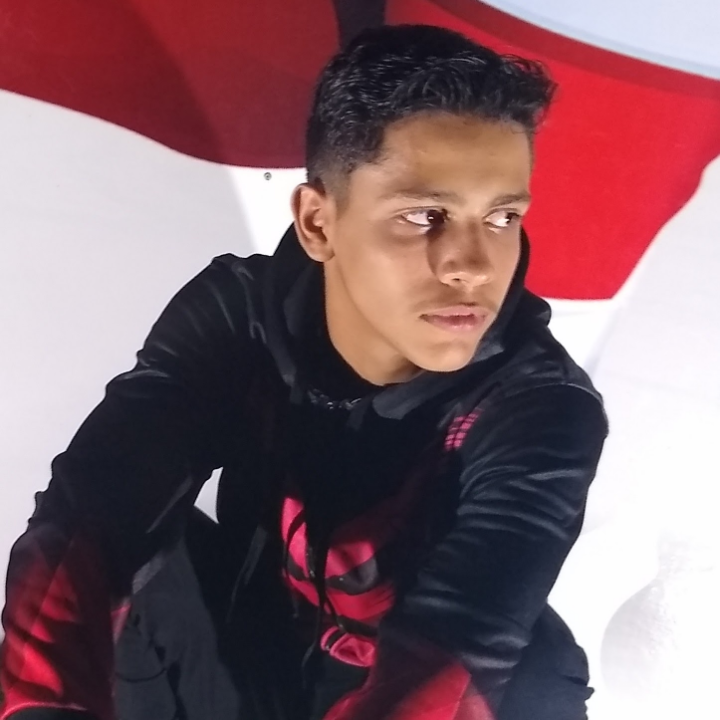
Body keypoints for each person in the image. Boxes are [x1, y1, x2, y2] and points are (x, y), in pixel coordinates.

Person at [0, 24, 608, 720]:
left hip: (401, 679)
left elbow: (463, 642)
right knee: (124, 562)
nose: (471, 266)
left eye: (501, 218)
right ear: (318, 224)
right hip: (248, 649)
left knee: (532, 682)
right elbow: (92, 509)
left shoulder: (540, 407)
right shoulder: (240, 317)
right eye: (424, 215)